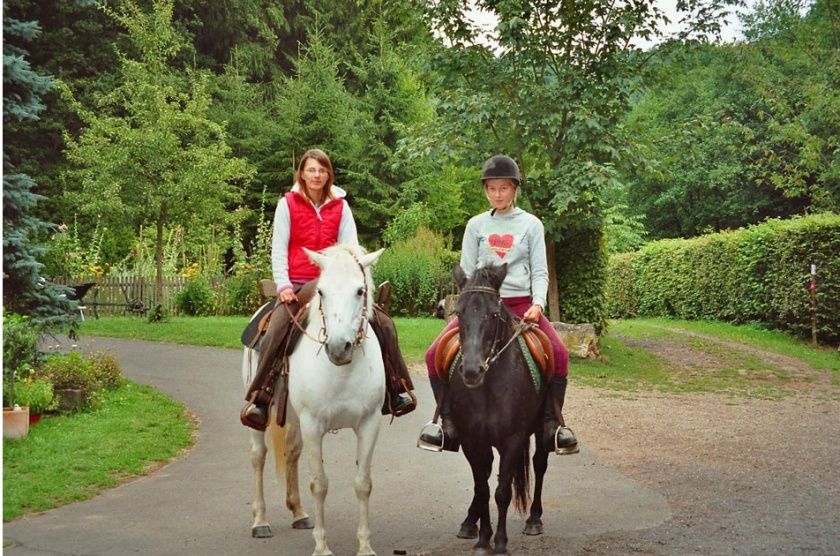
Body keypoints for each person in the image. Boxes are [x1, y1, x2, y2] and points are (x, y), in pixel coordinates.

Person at [241, 148, 416, 430]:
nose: (317, 175)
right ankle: (261, 396)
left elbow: (352, 249)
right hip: (299, 284)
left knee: (383, 323)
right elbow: (279, 248)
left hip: (337, 284)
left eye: (322, 170)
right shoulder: (287, 204)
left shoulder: (341, 207)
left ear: (328, 174)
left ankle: (397, 388)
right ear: (302, 173)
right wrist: (283, 284)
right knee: (276, 328)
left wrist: (353, 282)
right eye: (311, 170)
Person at [418, 154, 578, 455]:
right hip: (481, 308)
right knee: (431, 355)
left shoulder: (531, 224)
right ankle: (447, 424)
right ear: (485, 190)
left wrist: (538, 304)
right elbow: (466, 274)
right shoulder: (475, 225)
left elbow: (540, 271)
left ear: (514, 189)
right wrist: (468, 307)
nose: (498, 194)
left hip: (520, 306)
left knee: (559, 353)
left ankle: (552, 425)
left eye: (503, 188)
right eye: (492, 188)